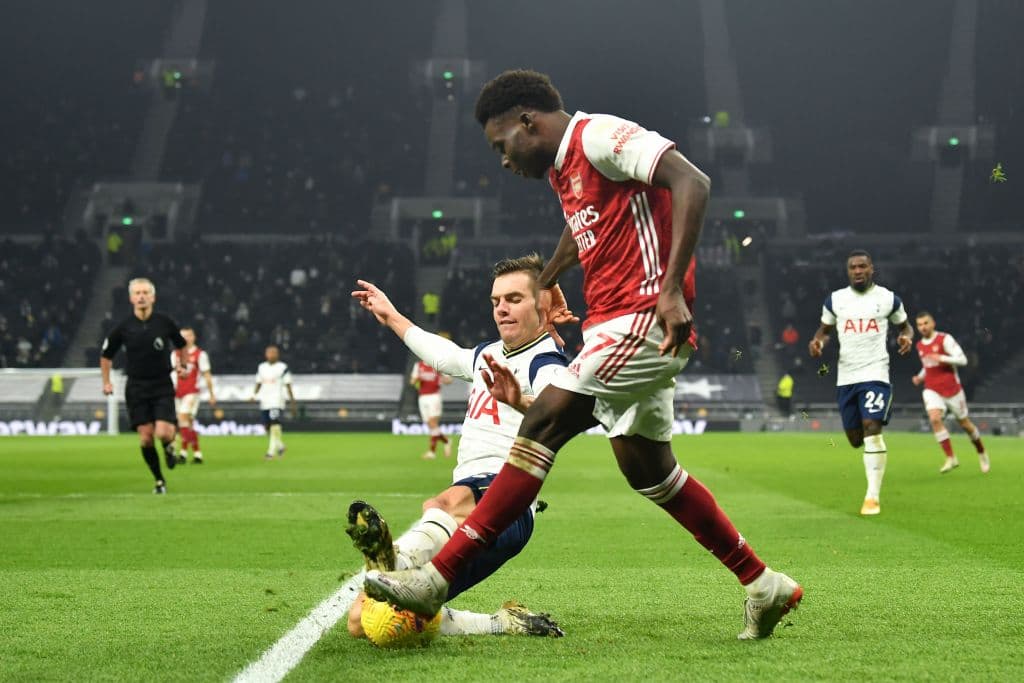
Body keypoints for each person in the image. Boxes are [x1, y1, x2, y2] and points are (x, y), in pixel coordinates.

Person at [364, 69, 802, 641]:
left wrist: (671, 290)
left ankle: (434, 579)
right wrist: (547, 280)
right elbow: (580, 232)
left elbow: (691, 181)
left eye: (502, 145)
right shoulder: (564, 172)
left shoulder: (599, 136)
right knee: (648, 470)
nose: (502, 160)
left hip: (641, 317)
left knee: (544, 420)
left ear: (529, 121)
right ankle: (764, 585)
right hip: (611, 323)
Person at [347, 254, 567, 639]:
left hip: (506, 503)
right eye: (496, 301)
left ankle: (396, 558)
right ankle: (503, 623)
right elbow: (445, 356)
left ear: (543, 304)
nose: (501, 309)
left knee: (443, 503)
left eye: (514, 299)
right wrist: (392, 315)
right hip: (474, 512)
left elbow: (562, 411)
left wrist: (521, 403)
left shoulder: (545, 361)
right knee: (368, 624)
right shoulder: (487, 354)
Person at [809, 249, 913, 516]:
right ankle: (871, 482)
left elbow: (905, 326)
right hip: (847, 377)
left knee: (872, 428)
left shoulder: (888, 299)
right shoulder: (836, 300)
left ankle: (872, 497)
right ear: (848, 271)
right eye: (853, 267)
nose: (857, 271)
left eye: (862, 266)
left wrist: (906, 337)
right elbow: (824, 331)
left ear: (871, 269)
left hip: (876, 373)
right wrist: (818, 342)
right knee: (856, 439)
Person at [100, 278, 185, 494]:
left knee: (164, 433)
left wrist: (182, 365)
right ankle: (159, 480)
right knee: (146, 437)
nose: (141, 296)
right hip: (136, 386)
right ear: (131, 298)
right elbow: (106, 355)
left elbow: (181, 344)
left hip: (161, 384)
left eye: (145, 292)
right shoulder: (124, 327)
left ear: (153, 297)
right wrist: (107, 382)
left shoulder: (164, 322)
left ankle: (168, 447)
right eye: (137, 293)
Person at [911, 312, 989, 474]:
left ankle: (981, 452)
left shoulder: (945, 339)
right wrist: (920, 377)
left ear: (933, 323)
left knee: (965, 425)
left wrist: (941, 357)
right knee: (934, 418)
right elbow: (928, 365)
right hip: (932, 389)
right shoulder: (919, 345)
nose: (923, 327)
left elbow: (963, 360)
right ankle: (951, 457)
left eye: (926, 323)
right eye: (919, 325)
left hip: (952, 390)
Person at [173, 326, 216, 464]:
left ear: (193, 337)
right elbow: (172, 373)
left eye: (188, 335)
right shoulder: (175, 354)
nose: (185, 338)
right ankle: (196, 454)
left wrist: (211, 394)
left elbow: (207, 375)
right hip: (177, 392)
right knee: (188, 424)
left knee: (182, 418)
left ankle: (182, 453)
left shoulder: (200, 354)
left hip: (192, 392)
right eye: (182, 336)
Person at [250, 345, 296, 459]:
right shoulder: (261, 367)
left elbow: (288, 385)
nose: (271, 355)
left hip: (276, 400)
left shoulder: (282, 367)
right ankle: (280, 446)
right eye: (269, 353)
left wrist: (292, 402)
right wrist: (253, 395)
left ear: (277, 354)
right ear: (266, 354)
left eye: (273, 353)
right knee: (267, 427)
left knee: (274, 424)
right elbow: (258, 383)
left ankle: (270, 452)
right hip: (265, 401)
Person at [410, 360, 453, 459]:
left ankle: (432, 452)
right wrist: (416, 378)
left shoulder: (437, 365)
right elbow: (412, 382)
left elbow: (449, 381)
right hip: (422, 398)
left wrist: (441, 376)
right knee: (430, 425)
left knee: (432, 423)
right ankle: (446, 441)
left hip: (434, 396)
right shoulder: (418, 365)